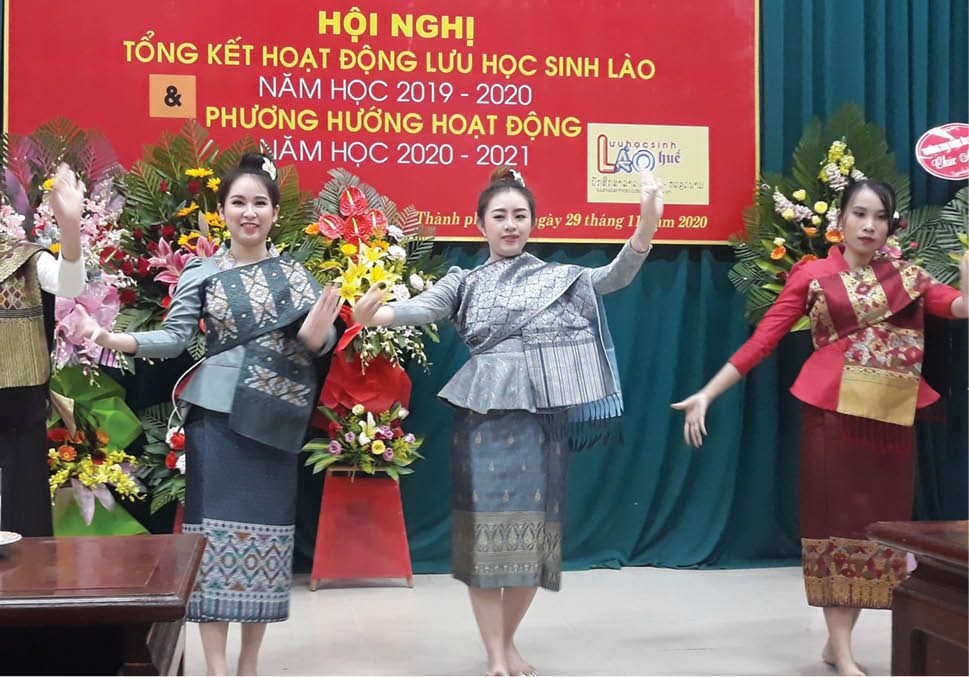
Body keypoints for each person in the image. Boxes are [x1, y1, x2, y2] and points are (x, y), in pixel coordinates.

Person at [353, 165, 664, 676]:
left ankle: (506, 641)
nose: (510, 225)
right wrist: (378, 317)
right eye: (499, 216)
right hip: (485, 420)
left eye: (520, 215)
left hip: (544, 419)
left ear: (533, 223)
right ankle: (496, 655)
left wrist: (645, 228)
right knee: (486, 539)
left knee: (534, 539)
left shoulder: (558, 278)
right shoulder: (464, 282)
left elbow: (615, 277)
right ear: (480, 224)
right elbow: (423, 308)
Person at [671, 178, 968, 676]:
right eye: (859, 214)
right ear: (841, 220)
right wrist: (708, 392)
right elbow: (764, 340)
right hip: (832, 418)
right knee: (836, 528)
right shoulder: (812, 276)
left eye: (879, 217)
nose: (869, 225)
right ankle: (843, 651)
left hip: (890, 420)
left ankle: (837, 644)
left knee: (875, 531)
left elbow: (958, 308)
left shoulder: (908, 276)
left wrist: (965, 273)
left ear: (890, 225)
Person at [77, 153, 343, 676]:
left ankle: (249, 664)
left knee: (266, 547)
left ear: (273, 213)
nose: (250, 212)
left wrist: (319, 338)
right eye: (238, 202)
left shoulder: (294, 273)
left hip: (274, 420)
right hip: (217, 423)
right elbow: (175, 338)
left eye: (260, 203)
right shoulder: (203, 271)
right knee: (215, 546)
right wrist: (113, 338)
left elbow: (321, 336)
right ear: (221, 211)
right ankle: (216, 668)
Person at [0, 163, 86, 537]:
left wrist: (70, 227)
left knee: (24, 517)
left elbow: (69, 284)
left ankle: (26, 590)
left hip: (17, 403)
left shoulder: (24, 256)